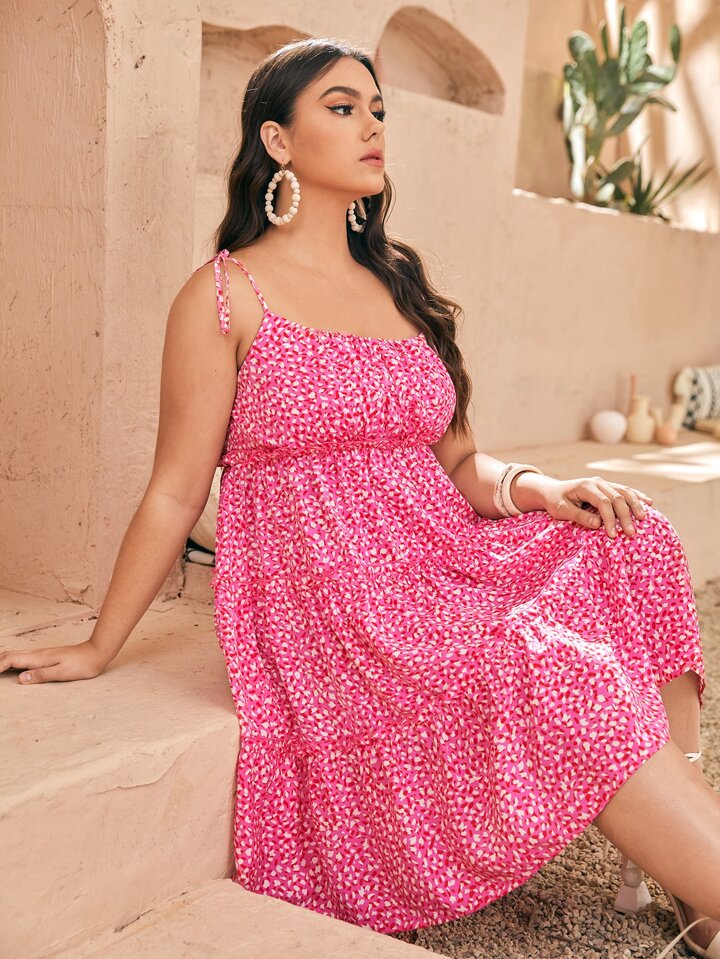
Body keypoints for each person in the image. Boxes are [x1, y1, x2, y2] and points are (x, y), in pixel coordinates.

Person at [2, 36, 719, 958]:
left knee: (634, 535)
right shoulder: (226, 296)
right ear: (278, 140)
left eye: (378, 109)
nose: (372, 125)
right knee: (547, 666)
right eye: (342, 108)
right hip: (340, 604)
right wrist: (102, 643)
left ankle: (678, 846)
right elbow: (177, 491)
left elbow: (461, 462)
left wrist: (548, 489)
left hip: (441, 551)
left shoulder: (399, 283)